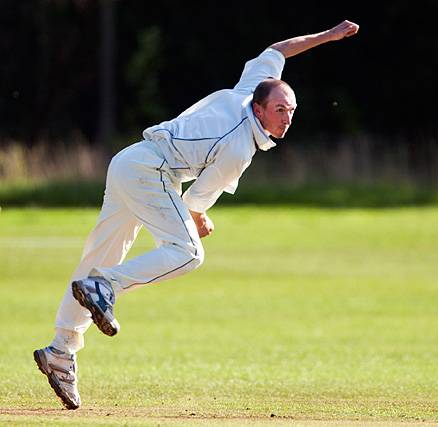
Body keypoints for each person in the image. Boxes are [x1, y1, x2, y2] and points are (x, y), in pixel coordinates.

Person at [33, 20, 359, 410]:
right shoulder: (239, 147)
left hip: (129, 163)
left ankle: (60, 350)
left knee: (97, 259)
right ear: (260, 109)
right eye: (279, 110)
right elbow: (194, 204)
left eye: (291, 110)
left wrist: (327, 36)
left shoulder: (246, 91)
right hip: (151, 173)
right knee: (188, 252)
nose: (286, 117)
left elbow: (279, 48)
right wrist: (198, 220)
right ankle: (108, 286)